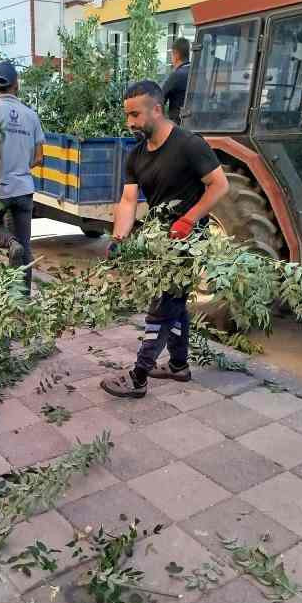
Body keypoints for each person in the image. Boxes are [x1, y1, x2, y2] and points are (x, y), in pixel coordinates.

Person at [100, 80, 229, 399]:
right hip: (159, 240)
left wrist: (189, 219)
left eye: (136, 115)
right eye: (127, 115)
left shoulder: (189, 144)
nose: (130, 123)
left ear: (156, 110)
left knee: (161, 307)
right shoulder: (136, 155)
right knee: (175, 304)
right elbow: (129, 200)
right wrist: (120, 238)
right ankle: (178, 365)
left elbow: (219, 185)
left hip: (188, 241)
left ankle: (139, 376)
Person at [0, 61, 45, 293]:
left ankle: (9, 243)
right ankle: (23, 299)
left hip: (0, 189)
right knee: (26, 247)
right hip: (24, 190)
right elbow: (40, 157)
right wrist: (22, 164)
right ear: (16, 84)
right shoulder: (31, 115)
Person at [162, 37, 191, 124]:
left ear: (176, 55)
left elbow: (159, 98)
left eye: (172, 55)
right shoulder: (198, 74)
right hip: (196, 125)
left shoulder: (176, 75)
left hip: (178, 126)